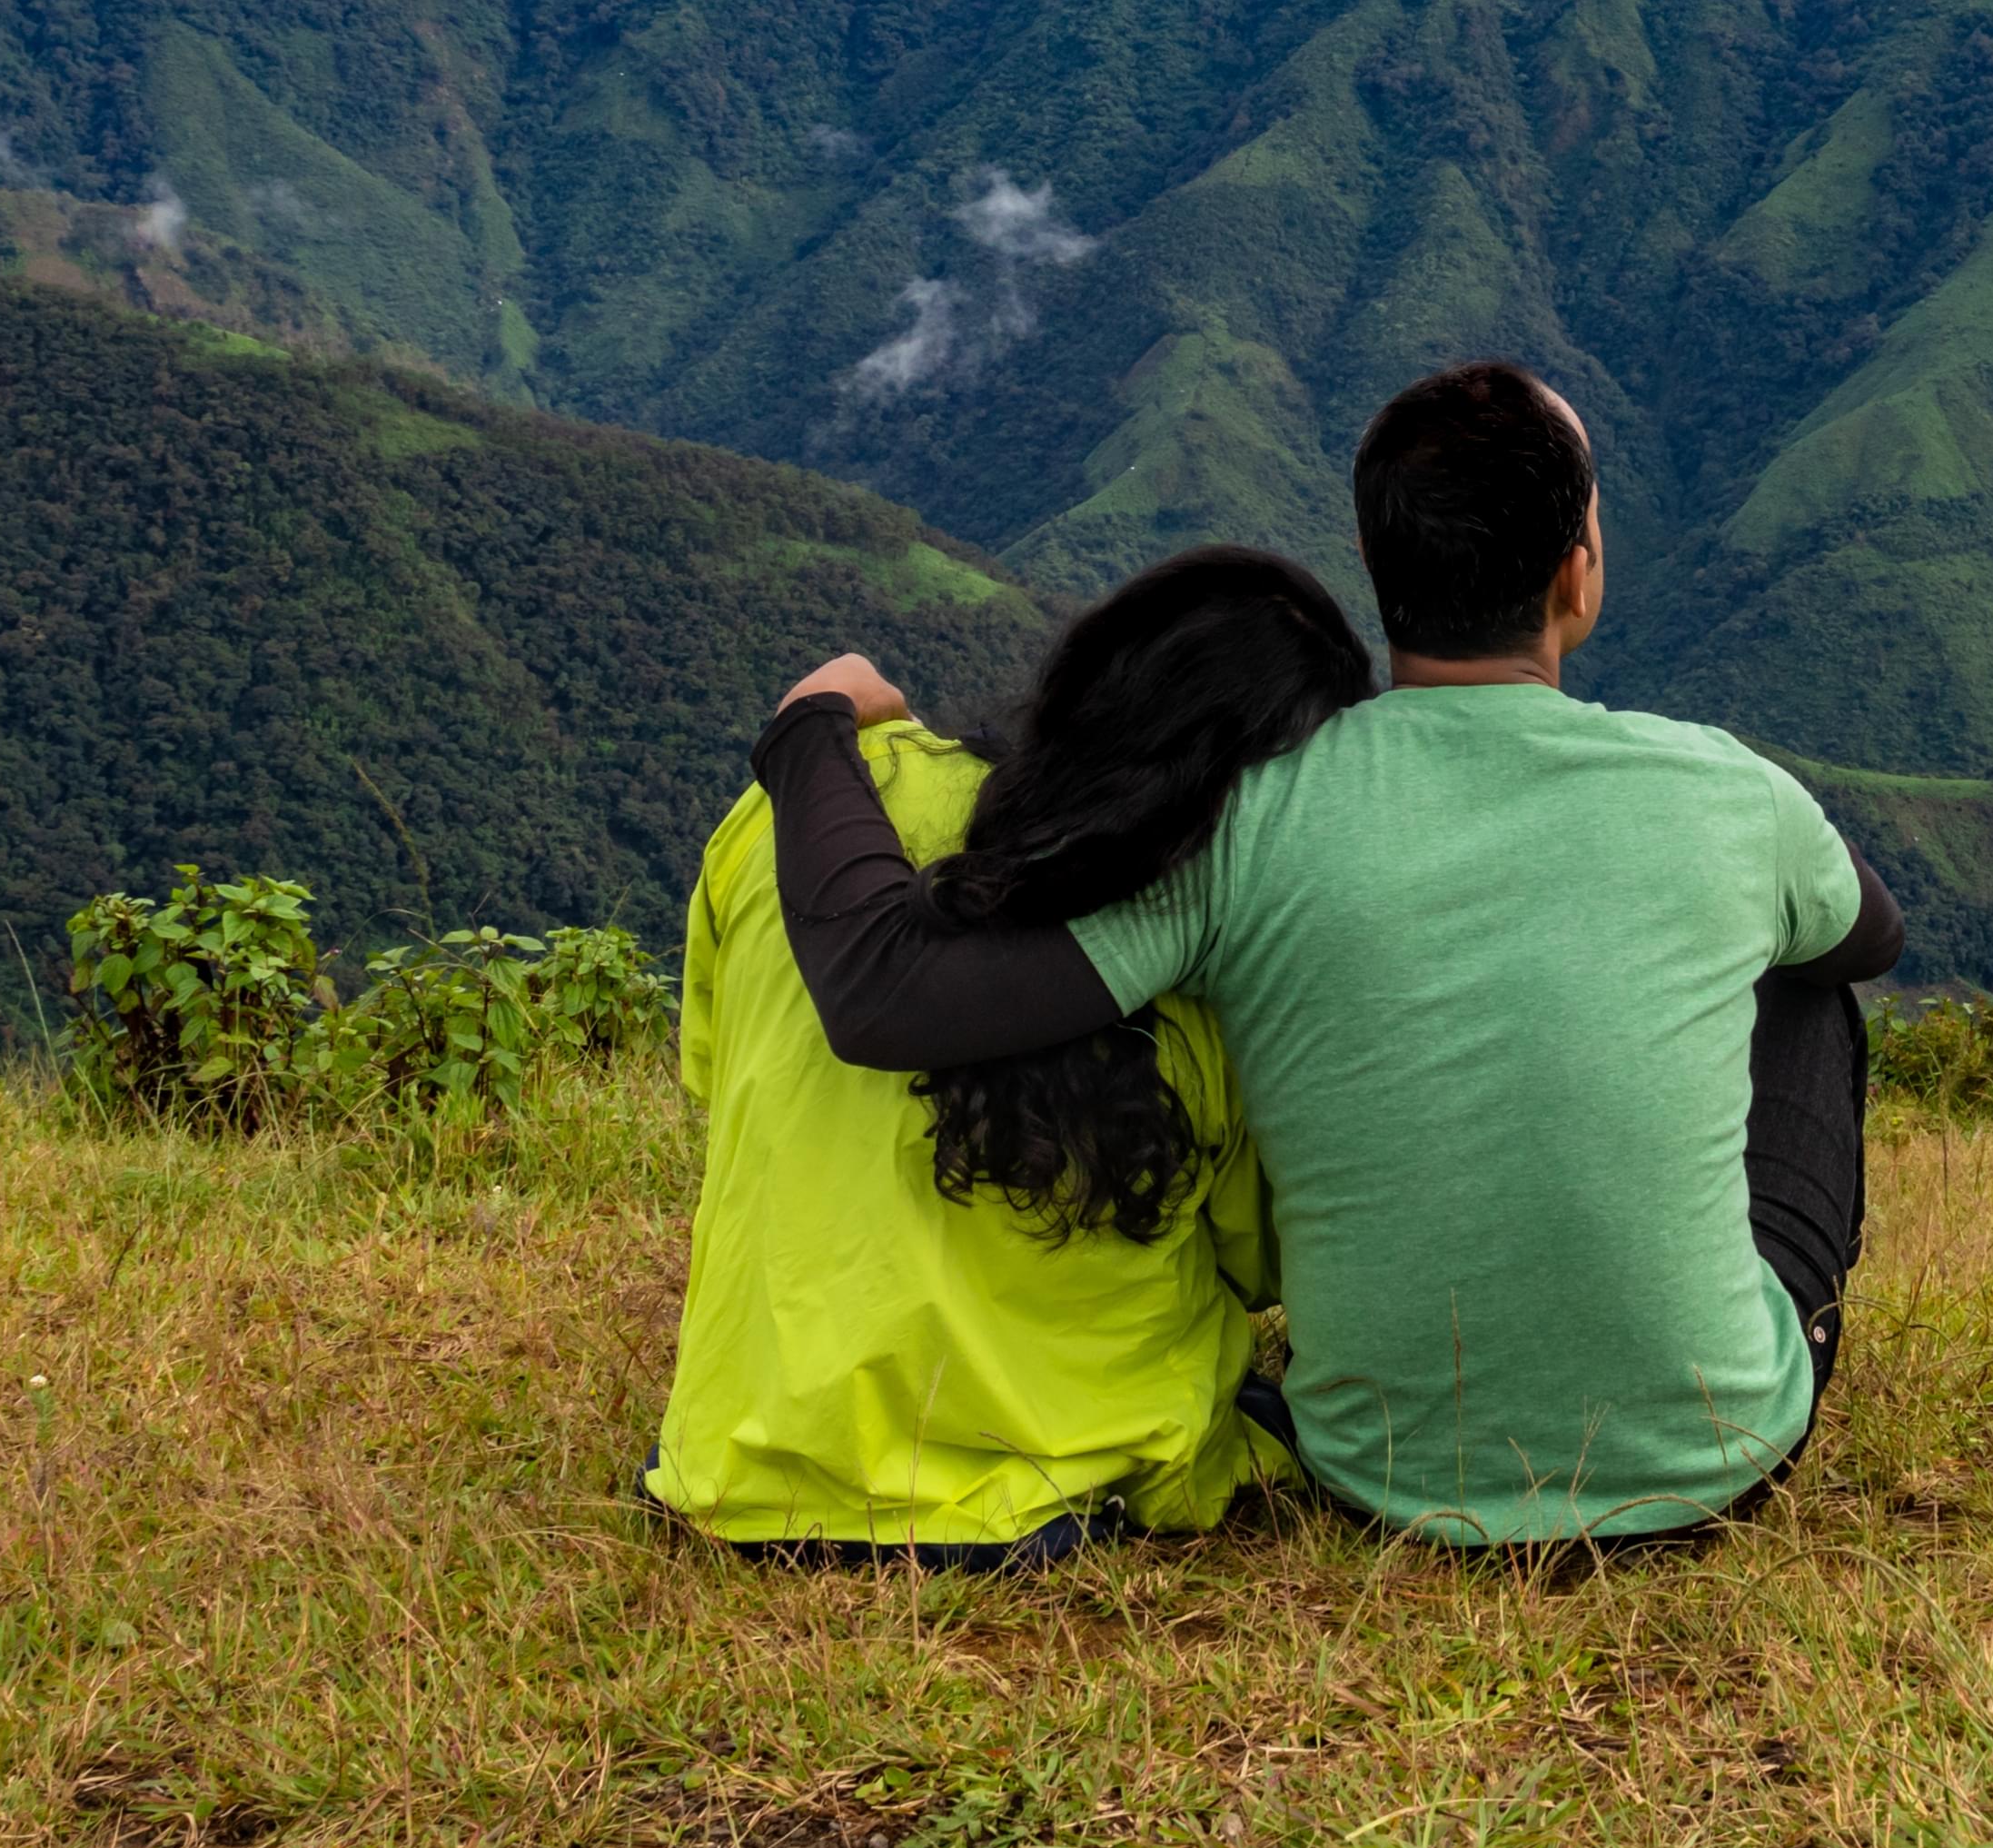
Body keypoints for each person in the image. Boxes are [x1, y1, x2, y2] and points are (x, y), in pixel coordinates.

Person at [753, 360, 1904, 1549]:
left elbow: (887, 994)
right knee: (1808, 988)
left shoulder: (1246, 820)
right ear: (1579, 572)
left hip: (1381, 1474)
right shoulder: (1725, 787)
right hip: (1712, 1461)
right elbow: (1872, 931)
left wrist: (809, 730)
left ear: (1378, 566)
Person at [646, 548, 1372, 1567]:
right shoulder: (1205, 947)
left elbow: (721, 1082)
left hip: (749, 1476)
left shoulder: (788, 816)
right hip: (1064, 1480)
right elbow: (1262, 1256)